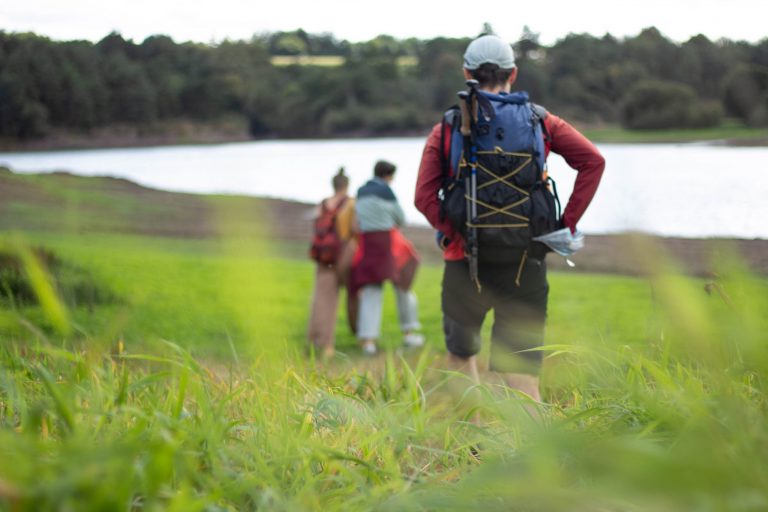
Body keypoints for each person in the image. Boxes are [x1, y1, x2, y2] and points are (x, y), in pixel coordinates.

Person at [414, 35, 605, 400]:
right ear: (513, 74)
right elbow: (593, 161)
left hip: (464, 262)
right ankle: (538, 455)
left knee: (461, 358)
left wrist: (454, 231)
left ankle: (472, 449)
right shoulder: (541, 122)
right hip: (525, 261)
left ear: (466, 72)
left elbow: (424, 197)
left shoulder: (448, 128)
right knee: (521, 377)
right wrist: (565, 224)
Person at [352, 160, 424, 355]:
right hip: (388, 246)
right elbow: (401, 219)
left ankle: (368, 342)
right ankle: (409, 334)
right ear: (388, 176)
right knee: (403, 288)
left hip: (367, 245)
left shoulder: (360, 192)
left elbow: (356, 223)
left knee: (371, 292)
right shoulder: (387, 192)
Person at [307, 167, 357, 359]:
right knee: (355, 294)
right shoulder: (350, 204)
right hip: (343, 255)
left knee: (322, 300)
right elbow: (355, 229)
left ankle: (315, 341)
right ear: (347, 185)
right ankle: (359, 336)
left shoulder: (323, 204)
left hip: (323, 257)